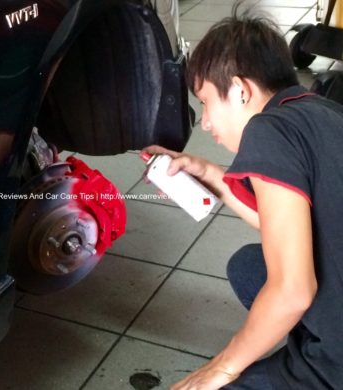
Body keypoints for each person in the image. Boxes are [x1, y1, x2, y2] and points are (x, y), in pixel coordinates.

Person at [143, 3, 343, 390]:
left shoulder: (267, 131)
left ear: (239, 90)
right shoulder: (317, 109)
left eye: (205, 102)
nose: (205, 122)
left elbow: (293, 291)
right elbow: (280, 219)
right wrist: (205, 172)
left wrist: (221, 367)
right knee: (249, 267)